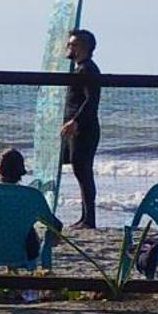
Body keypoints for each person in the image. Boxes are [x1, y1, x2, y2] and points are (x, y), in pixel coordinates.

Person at [60, 28, 101, 230]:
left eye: (73, 44)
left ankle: (89, 219)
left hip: (83, 130)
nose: (69, 47)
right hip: (73, 129)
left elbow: (91, 100)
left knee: (83, 172)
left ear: (84, 48)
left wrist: (74, 121)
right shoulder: (78, 68)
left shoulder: (87, 69)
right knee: (70, 166)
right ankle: (84, 217)